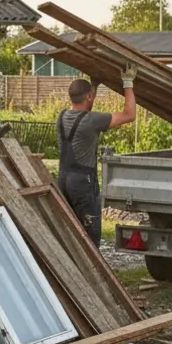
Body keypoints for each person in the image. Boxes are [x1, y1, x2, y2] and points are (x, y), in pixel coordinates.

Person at [55, 67, 138, 246]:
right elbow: (129, 115)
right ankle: (90, 271)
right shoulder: (92, 120)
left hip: (62, 179)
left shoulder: (61, 117)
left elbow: (86, 105)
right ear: (89, 97)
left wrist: (94, 84)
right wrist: (128, 83)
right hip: (83, 183)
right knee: (90, 234)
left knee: (68, 230)